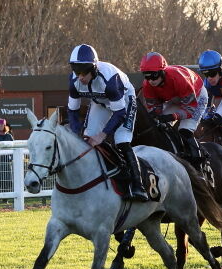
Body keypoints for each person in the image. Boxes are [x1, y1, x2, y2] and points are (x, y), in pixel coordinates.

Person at [66, 44, 147, 200]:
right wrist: (76, 133)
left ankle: (139, 186)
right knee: (87, 139)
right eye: (76, 71)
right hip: (100, 102)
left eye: (84, 72)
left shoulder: (109, 80)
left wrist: (103, 135)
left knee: (122, 140)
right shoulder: (74, 81)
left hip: (124, 101)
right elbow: (72, 111)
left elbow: (120, 113)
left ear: (94, 69)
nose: (80, 77)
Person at [140, 52, 208, 170]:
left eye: (154, 75)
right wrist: (155, 114)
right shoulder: (147, 85)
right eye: (147, 76)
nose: (151, 80)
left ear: (162, 71)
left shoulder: (178, 78)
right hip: (174, 98)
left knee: (185, 130)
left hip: (196, 97)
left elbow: (190, 110)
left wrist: (173, 116)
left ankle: (200, 165)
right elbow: (154, 108)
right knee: (157, 125)